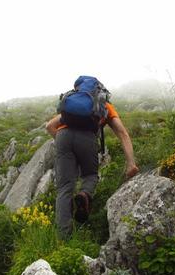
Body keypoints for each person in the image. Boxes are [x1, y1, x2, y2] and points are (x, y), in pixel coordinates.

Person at [46, 80, 138, 239]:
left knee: (64, 188)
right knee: (90, 176)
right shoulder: (103, 106)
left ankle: (62, 240)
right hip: (87, 138)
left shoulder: (72, 107)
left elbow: (49, 126)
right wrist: (131, 163)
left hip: (62, 136)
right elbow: (123, 133)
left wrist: (65, 147)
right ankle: (84, 194)